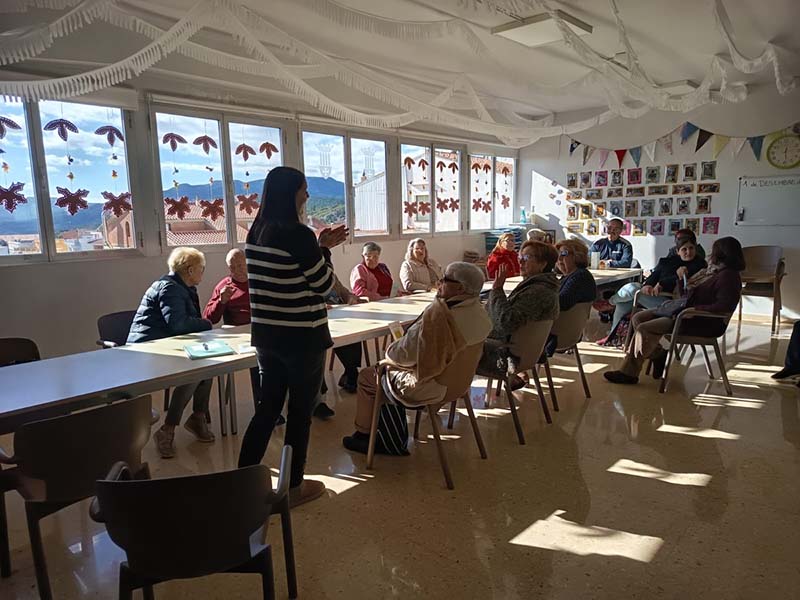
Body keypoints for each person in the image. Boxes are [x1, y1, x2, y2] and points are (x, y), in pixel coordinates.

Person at [237, 166, 347, 508]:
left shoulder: (256, 232)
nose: (308, 195)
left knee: (267, 410)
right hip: (303, 337)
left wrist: (318, 246)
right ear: (291, 194)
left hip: (267, 337)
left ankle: (241, 482)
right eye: (304, 189)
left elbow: (287, 275)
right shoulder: (298, 235)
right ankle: (293, 487)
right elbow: (324, 285)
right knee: (300, 414)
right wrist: (323, 249)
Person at [342, 262, 492, 455]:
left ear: (460, 289)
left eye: (445, 280)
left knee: (368, 376)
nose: (439, 282)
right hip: (459, 384)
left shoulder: (439, 318)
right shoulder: (481, 313)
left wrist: (395, 346)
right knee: (384, 372)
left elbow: (400, 356)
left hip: (428, 387)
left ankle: (365, 437)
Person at [604, 237, 746, 385]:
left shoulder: (728, 277)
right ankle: (658, 354)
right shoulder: (713, 272)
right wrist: (680, 279)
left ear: (721, 253)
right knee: (638, 317)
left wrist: (695, 309)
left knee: (643, 328)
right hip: (685, 313)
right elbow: (687, 295)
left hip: (699, 321)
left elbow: (723, 306)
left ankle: (628, 373)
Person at [127, 247, 214, 459]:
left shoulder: (182, 287)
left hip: (164, 346)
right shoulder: (170, 289)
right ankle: (168, 429)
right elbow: (178, 325)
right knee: (194, 372)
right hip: (146, 349)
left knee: (207, 365)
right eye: (201, 268)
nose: (203, 272)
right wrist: (206, 323)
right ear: (190, 270)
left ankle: (198, 417)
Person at [478, 240, 560, 389]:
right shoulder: (544, 286)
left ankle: (445, 394)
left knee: (454, 344)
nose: (520, 261)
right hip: (525, 352)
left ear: (542, 264)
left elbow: (506, 322)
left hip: (505, 355)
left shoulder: (537, 292)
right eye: (520, 257)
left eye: (527, 258)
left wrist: (497, 289)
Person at [607, 229, 707, 334]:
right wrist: (648, 285)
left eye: (691, 248)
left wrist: (662, 284)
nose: (688, 252)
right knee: (625, 302)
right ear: (678, 251)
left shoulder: (699, 264)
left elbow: (679, 279)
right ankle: (612, 335)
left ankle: (609, 303)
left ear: (695, 248)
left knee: (633, 289)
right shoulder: (667, 261)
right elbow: (655, 274)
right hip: (655, 296)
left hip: (673, 302)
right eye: (684, 249)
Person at [546, 239, 597, 354]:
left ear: (577, 256)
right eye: (557, 255)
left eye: (564, 254)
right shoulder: (571, 276)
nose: (559, 259)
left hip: (555, 335)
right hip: (564, 333)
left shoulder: (580, 277)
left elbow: (561, 303)